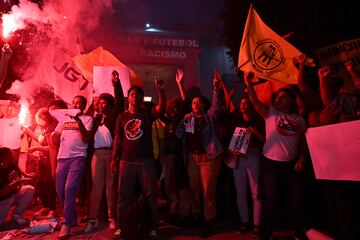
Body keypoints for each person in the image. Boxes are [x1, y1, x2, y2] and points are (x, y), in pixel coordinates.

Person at [244, 71, 308, 240]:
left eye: (282, 97)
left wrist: (302, 158)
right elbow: (253, 99)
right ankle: (266, 234)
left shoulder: (299, 119)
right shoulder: (270, 113)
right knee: (270, 200)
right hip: (271, 163)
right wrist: (248, 82)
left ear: (291, 101)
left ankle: (298, 232)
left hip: (291, 163)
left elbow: (303, 141)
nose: (278, 99)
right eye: (277, 97)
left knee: (297, 199)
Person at [111, 78, 166, 240]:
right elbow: (118, 139)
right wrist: (114, 158)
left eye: (138, 95)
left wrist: (161, 90)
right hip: (126, 161)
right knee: (123, 196)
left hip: (145, 161)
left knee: (150, 195)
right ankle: (122, 227)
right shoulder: (121, 117)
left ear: (142, 99)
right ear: (129, 97)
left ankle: (153, 227)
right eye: (133, 94)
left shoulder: (147, 115)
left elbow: (161, 108)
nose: (136, 97)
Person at [175, 72, 223, 237]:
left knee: (208, 191)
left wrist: (216, 88)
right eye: (194, 102)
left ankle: (209, 221)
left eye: (199, 102)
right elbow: (178, 134)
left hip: (209, 158)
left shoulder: (209, 118)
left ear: (203, 105)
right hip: (192, 159)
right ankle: (198, 218)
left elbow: (216, 107)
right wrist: (183, 121)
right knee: (195, 191)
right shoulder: (188, 119)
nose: (196, 104)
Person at [85, 70, 124, 232]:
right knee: (96, 187)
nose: (101, 104)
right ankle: (92, 219)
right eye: (99, 102)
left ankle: (111, 218)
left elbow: (121, 101)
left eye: (104, 102)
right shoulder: (94, 119)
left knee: (110, 187)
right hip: (97, 155)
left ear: (109, 104)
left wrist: (116, 83)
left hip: (110, 154)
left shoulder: (114, 116)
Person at [52, 95, 93, 239]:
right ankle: (72, 217)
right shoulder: (64, 118)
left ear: (84, 106)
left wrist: (77, 120)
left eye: (79, 103)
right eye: (73, 102)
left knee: (70, 189)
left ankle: (67, 224)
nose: (75, 104)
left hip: (78, 157)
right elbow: (55, 136)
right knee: (60, 191)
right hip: (62, 158)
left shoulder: (88, 119)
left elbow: (86, 138)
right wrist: (53, 135)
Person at [231, 96, 264, 235]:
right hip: (239, 157)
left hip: (253, 155)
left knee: (255, 192)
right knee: (240, 192)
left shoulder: (258, 120)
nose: (243, 105)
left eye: (246, 103)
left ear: (250, 106)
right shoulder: (236, 119)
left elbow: (264, 139)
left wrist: (254, 131)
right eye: (241, 103)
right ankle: (245, 221)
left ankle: (257, 224)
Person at [23, 107, 57, 219]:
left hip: (50, 159)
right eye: (40, 116)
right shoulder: (43, 129)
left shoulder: (52, 129)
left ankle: (52, 209)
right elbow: (39, 139)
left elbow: (52, 147)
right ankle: (45, 206)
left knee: (49, 184)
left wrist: (36, 148)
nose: (42, 119)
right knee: (40, 183)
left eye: (45, 116)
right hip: (41, 160)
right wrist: (27, 130)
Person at [0, 147, 35, 226]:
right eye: (8, 157)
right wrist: (19, 181)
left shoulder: (11, 163)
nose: (11, 158)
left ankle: (16, 215)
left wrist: (26, 175)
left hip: (13, 195)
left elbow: (17, 168)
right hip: (3, 199)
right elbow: (2, 192)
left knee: (29, 189)